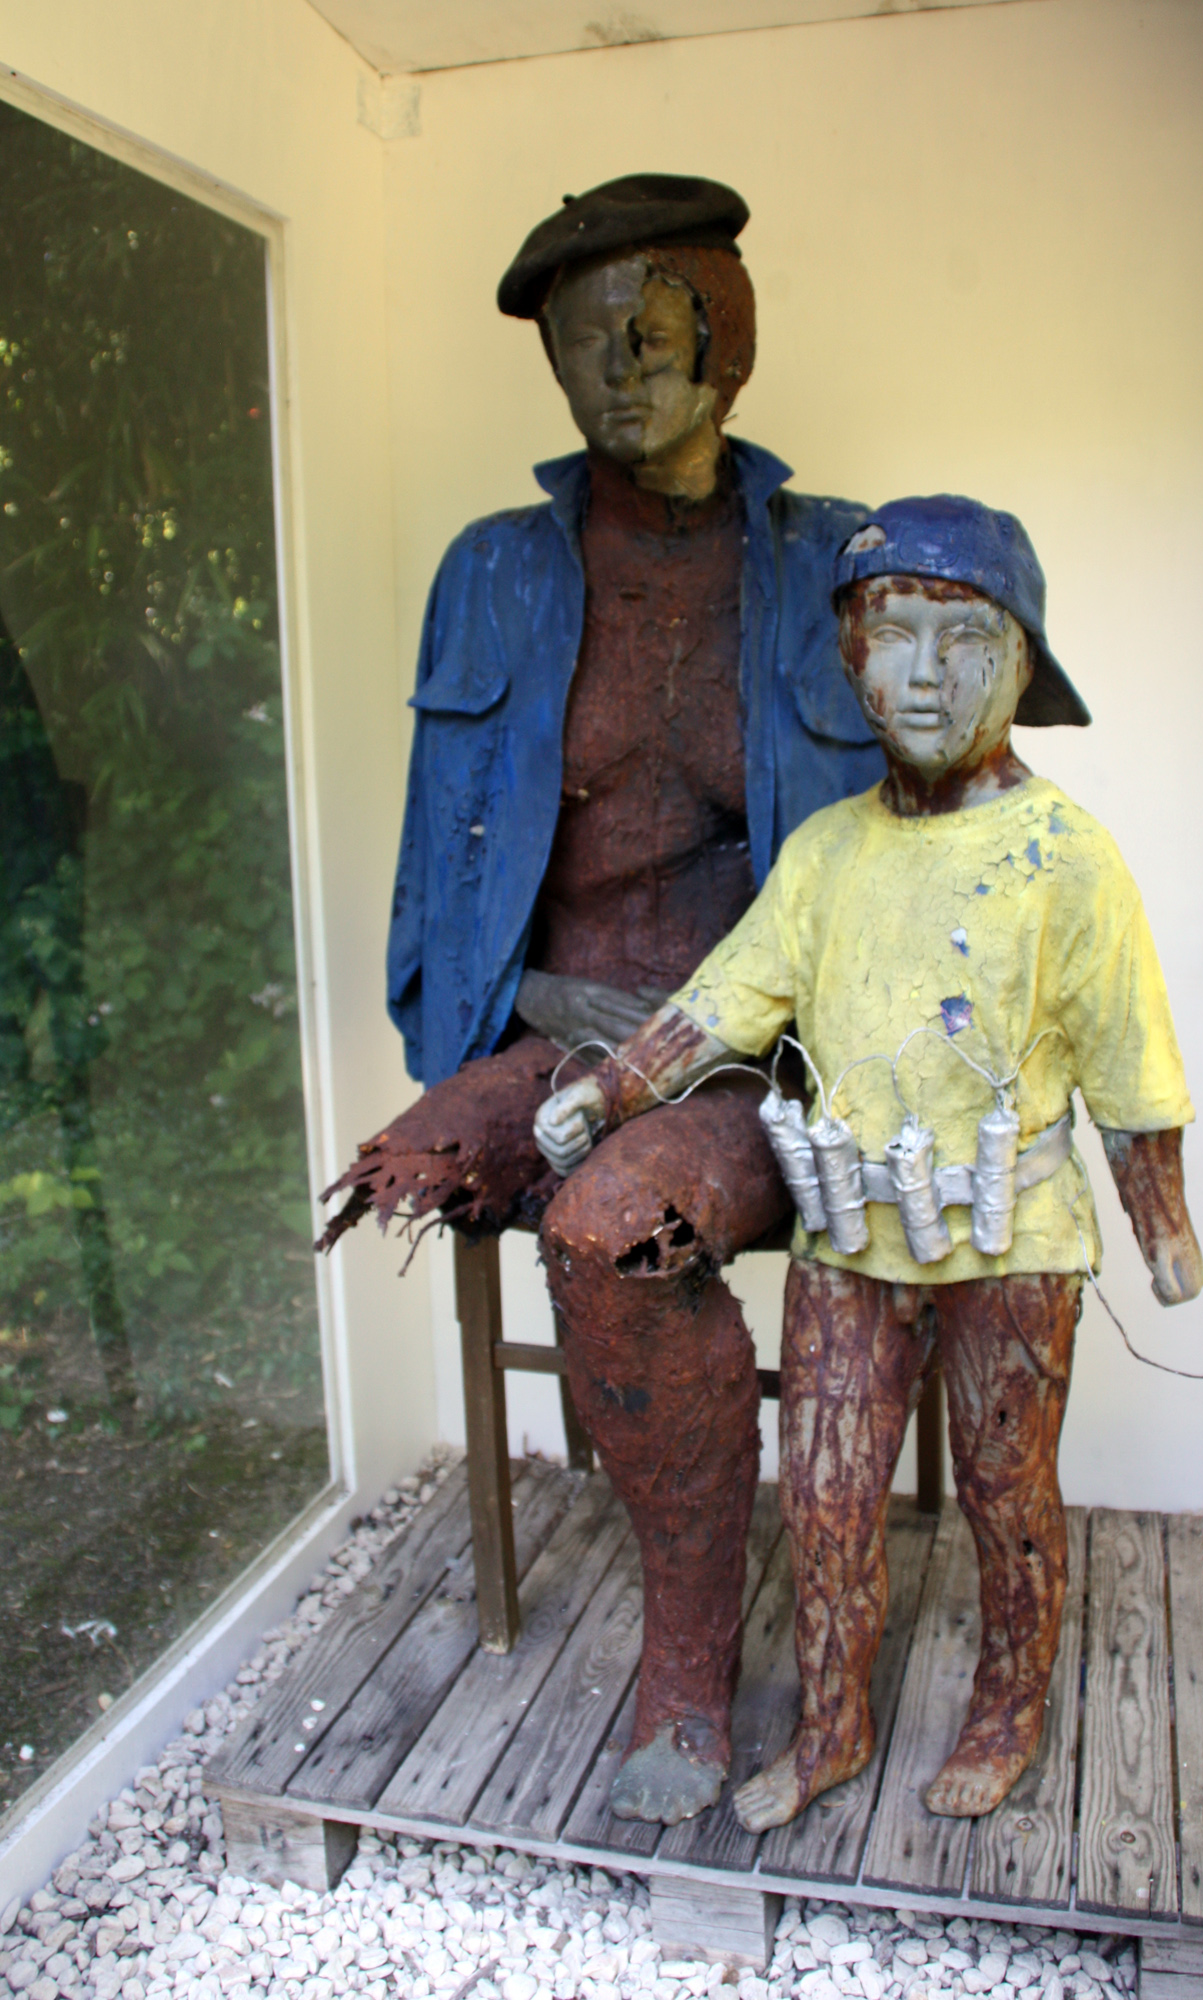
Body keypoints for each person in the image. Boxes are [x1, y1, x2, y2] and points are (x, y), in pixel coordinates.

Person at [317, 175, 881, 1825]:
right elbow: (435, 842)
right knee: (401, 1170)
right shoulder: (493, 569)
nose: (617, 366)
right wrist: (449, 1058)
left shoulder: (835, 564)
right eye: (582, 341)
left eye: (650, 328)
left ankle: (685, 1668)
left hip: (755, 1056)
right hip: (549, 1028)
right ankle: (660, 1470)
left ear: (726, 337)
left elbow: (926, 823)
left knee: (605, 1231)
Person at [535, 494, 1203, 1830]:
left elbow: (1132, 1064)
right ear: (850, 657)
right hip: (849, 1236)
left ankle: (1007, 1707)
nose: (926, 674)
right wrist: (611, 1090)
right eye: (893, 634)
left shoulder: (1065, 859)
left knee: (1007, 1492)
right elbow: (727, 999)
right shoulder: (827, 854)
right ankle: (832, 1724)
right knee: (829, 1494)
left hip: (1010, 1241)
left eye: (966, 640)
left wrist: (1163, 1225)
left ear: (1020, 663)